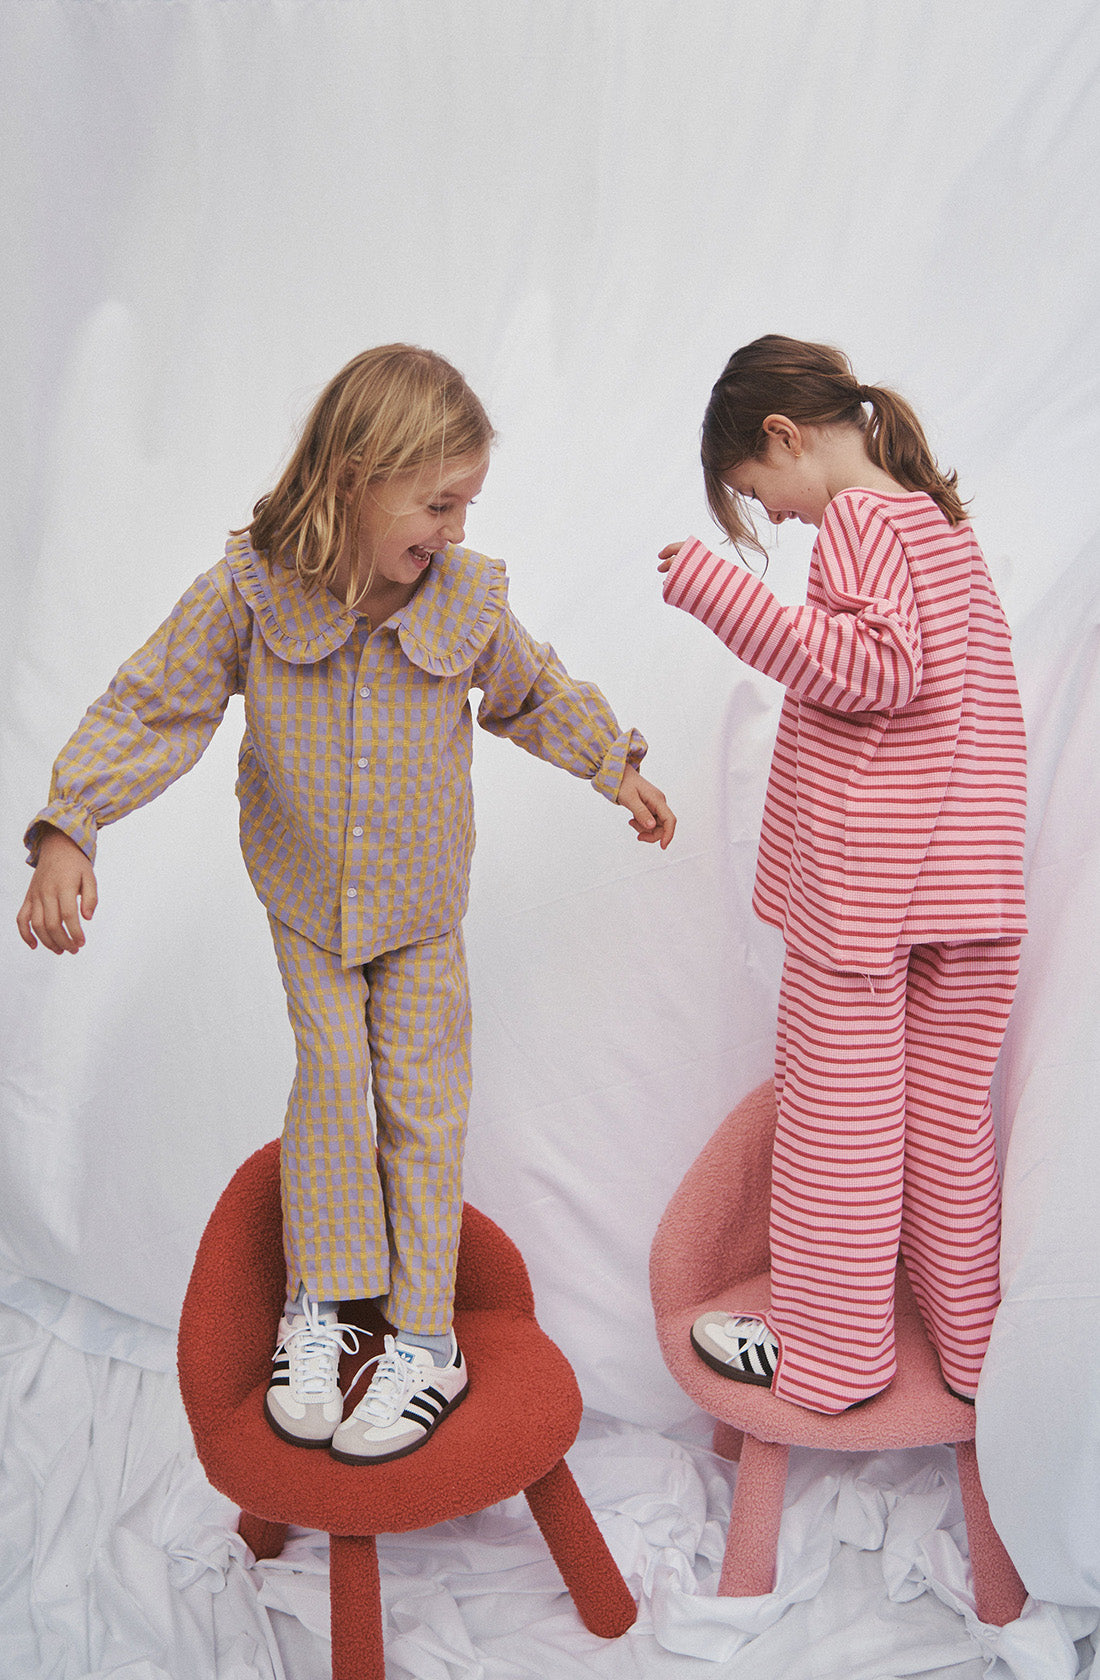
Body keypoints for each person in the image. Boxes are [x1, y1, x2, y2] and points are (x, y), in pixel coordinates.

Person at [17, 343, 675, 1462]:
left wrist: (612, 764)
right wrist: (70, 825)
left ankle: (423, 1339)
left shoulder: (465, 600)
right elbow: (155, 704)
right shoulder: (250, 591)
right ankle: (322, 1308)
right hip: (307, 899)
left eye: (467, 504)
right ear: (357, 476)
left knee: (422, 1104)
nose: (455, 528)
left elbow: (532, 691)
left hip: (420, 907)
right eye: (437, 502)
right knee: (332, 1081)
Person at [659, 334, 1026, 1414]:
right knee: (946, 1126)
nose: (770, 517)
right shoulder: (936, 526)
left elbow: (872, 670)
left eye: (754, 490)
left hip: (867, 893)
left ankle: (829, 1358)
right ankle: (975, 1353)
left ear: (784, 435)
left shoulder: (860, 522)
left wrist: (718, 596)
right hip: (964, 888)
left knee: (837, 1123)